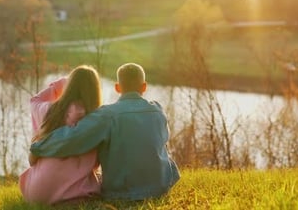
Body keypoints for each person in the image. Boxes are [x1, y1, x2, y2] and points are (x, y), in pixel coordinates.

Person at [31, 62, 180, 200]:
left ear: (117, 88)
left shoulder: (106, 116)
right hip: (160, 186)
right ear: (144, 87)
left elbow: (71, 138)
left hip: (121, 192)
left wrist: (38, 147)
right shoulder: (158, 110)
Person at [19, 65, 102, 205]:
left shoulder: (51, 110)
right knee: (99, 181)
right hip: (73, 196)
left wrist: (62, 83)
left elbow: (35, 100)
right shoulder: (97, 121)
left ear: (70, 87)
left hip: (36, 192)